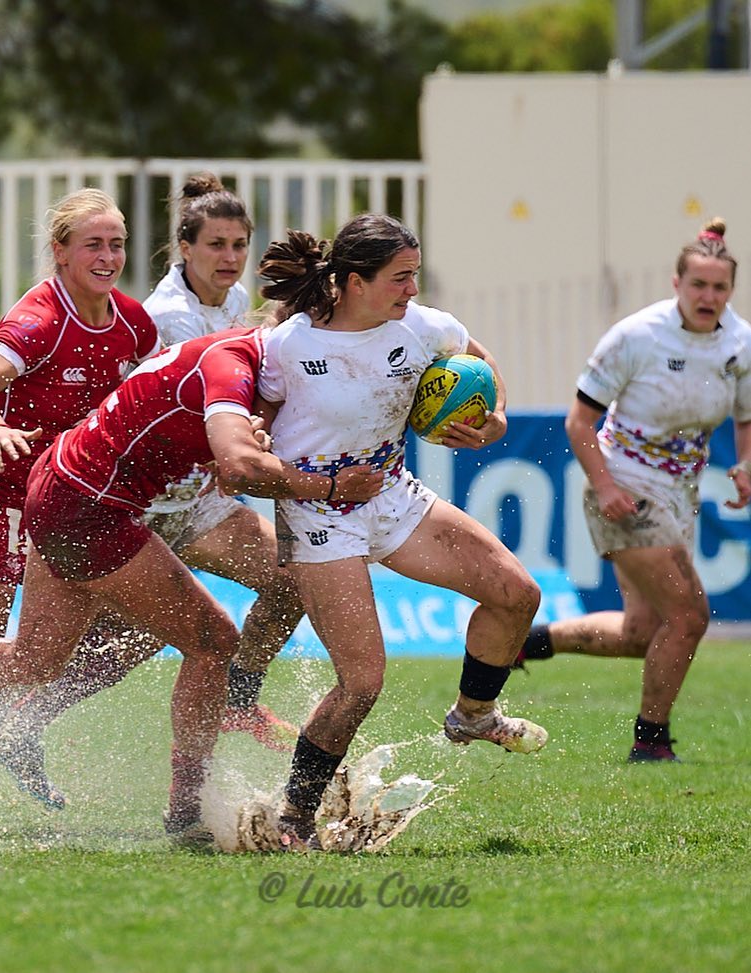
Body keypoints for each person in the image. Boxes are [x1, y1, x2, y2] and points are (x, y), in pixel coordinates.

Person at [0, 325, 384, 846]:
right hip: (92, 509)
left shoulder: (233, 351)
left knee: (34, 659)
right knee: (213, 642)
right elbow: (238, 467)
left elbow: (196, 436)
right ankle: (187, 810)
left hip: (62, 481)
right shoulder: (235, 363)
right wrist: (331, 485)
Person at [0, 174, 303, 808]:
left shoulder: (236, 301)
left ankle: (236, 700)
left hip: (195, 497)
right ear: (184, 248)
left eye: (239, 244)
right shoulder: (163, 318)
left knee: (285, 580)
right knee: (112, 645)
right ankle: (13, 724)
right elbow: (141, 408)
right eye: (215, 244)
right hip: (144, 502)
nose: (230, 257)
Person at [256, 216, 548, 850]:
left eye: (414, 274)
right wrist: (261, 446)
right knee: (362, 683)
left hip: (390, 493)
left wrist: (495, 419)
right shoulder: (287, 345)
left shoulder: (423, 327)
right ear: (354, 281)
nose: (413, 288)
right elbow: (257, 418)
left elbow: (483, 363)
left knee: (516, 593)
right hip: (316, 512)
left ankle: (474, 716)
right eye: (400, 277)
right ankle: (294, 816)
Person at [517, 218, 751, 763]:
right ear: (676, 284)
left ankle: (525, 643)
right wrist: (605, 487)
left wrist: (744, 464)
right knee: (690, 616)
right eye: (698, 285)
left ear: (731, 291)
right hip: (625, 484)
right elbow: (579, 423)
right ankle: (651, 742)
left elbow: (745, 416)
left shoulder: (740, 343)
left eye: (719, 287)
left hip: (680, 491)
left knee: (642, 632)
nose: (708, 296)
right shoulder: (636, 336)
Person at [0, 187, 160, 653]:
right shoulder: (40, 320)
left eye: (116, 244)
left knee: (137, 630)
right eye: (93, 245)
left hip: (69, 507)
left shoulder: (133, 322)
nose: (108, 257)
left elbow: (162, 396)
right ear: (60, 251)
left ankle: (39, 704)